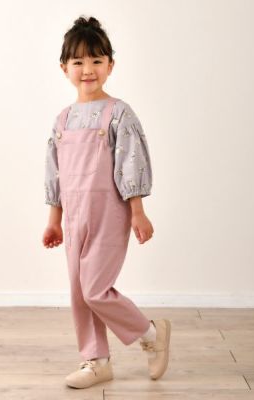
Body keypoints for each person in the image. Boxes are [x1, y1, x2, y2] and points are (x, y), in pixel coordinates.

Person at [42, 15, 171, 389]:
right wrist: (54, 220)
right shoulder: (62, 120)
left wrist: (138, 212)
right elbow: (55, 173)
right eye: (78, 62)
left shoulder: (118, 113)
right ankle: (96, 360)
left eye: (97, 60)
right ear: (64, 68)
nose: (88, 70)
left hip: (110, 214)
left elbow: (131, 163)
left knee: (95, 289)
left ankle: (150, 333)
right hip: (73, 218)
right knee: (79, 292)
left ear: (110, 65)